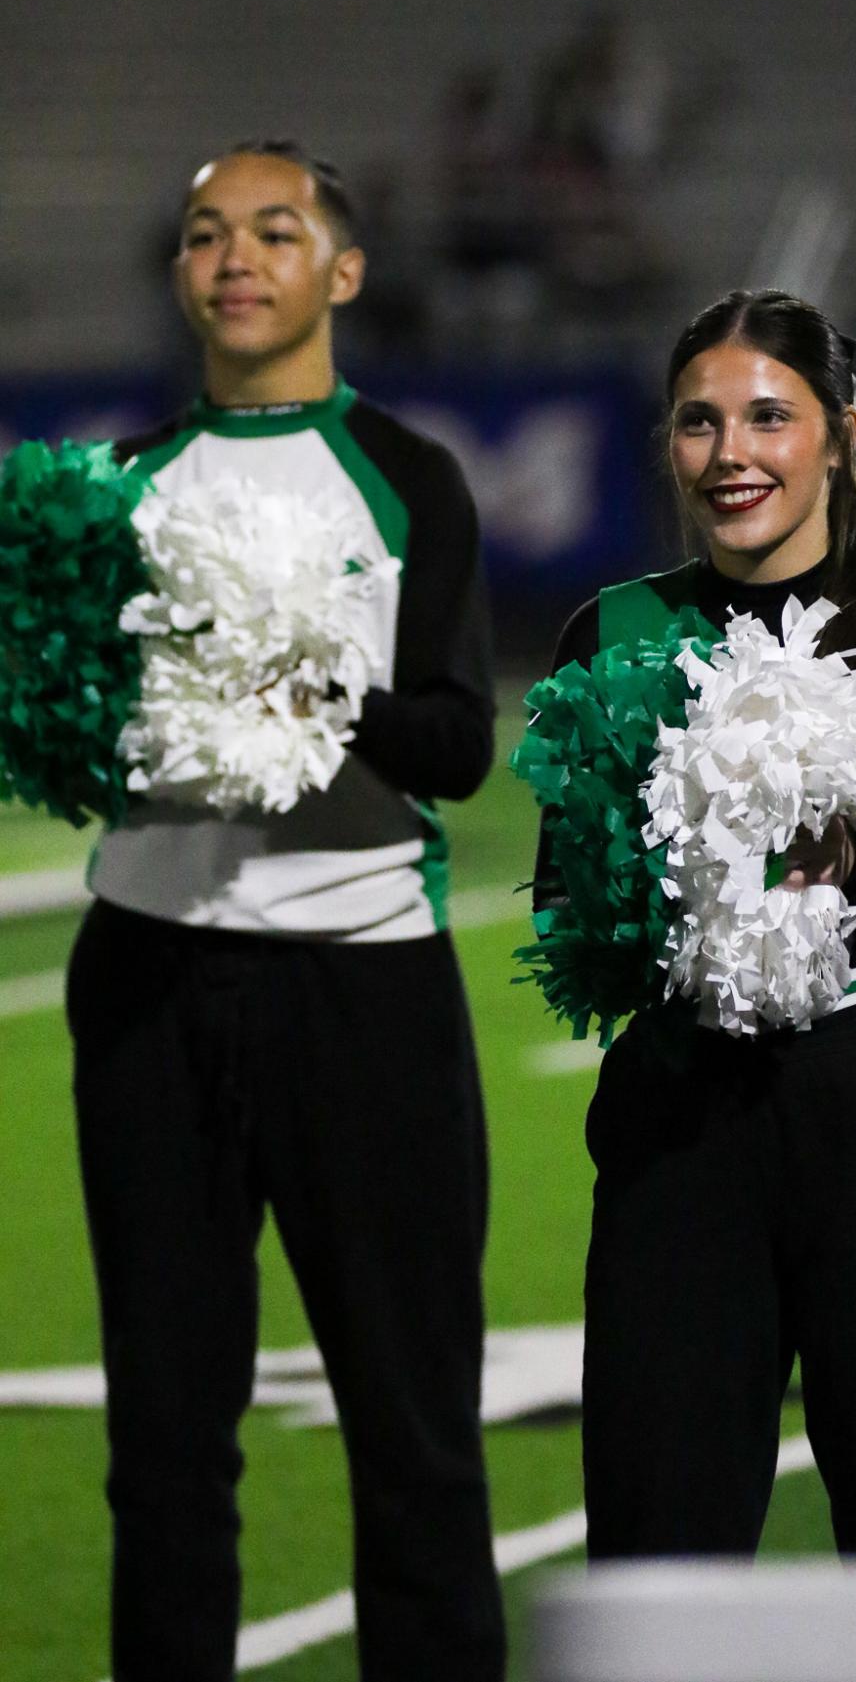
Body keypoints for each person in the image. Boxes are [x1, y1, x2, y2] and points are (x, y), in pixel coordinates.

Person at [67, 141, 505, 1680]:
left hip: (360, 984)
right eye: (202, 235)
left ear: (344, 270)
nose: (233, 257)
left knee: (414, 1433)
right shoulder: (114, 488)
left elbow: (457, 746)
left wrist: (311, 687)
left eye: (272, 229)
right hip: (146, 984)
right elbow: (59, 734)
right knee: (165, 1443)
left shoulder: (408, 475)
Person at [536, 288, 856, 1559]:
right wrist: (671, 890)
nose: (732, 454)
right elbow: (569, 914)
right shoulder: (610, 636)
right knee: (657, 1560)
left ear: (838, 435)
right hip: (680, 1127)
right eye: (698, 423)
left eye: (768, 417)